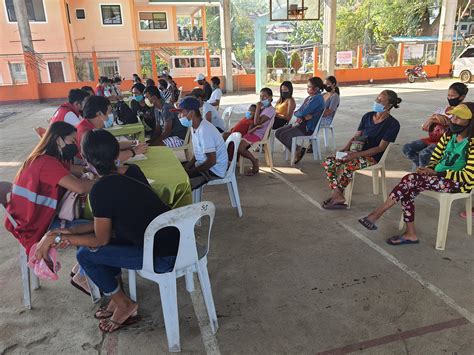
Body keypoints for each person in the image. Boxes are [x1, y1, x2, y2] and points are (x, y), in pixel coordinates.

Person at [35, 129, 179, 332]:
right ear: (115, 154)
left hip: (161, 256)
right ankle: (116, 300)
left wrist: (58, 238)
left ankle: (124, 304)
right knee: (100, 243)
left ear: (85, 159)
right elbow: (103, 225)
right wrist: (68, 234)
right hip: (176, 242)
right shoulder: (132, 171)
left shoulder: (100, 190)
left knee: (86, 255)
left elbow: (99, 240)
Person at [359, 103, 474, 245]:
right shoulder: (448, 136)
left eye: (459, 118)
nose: (453, 120)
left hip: (459, 183)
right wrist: (428, 169)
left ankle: (377, 214)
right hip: (438, 177)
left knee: (410, 180)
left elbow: (469, 176)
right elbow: (435, 159)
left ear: (470, 122)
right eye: (453, 116)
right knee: (408, 187)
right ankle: (410, 234)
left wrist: (436, 174)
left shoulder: (472, 143)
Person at [4, 122, 95, 256]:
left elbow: (79, 170)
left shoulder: (44, 159)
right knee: (100, 229)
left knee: (96, 226)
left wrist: (94, 169)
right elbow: (80, 187)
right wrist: (105, 182)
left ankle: (81, 271)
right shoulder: (46, 164)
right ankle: (82, 272)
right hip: (35, 227)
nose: (74, 146)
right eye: (72, 141)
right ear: (58, 139)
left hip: (32, 220)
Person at [321, 90, 402, 210]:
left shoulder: (393, 124)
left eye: (380, 100)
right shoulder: (368, 116)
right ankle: (337, 193)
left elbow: (381, 148)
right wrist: (345, 149)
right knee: (329, 161)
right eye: (377, 98)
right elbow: (356, 136)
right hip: (356, 151)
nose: (376, 101)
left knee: (349, 164)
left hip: (372, 157)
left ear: (389, 105)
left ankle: (336, 195)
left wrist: (355, 155)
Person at [403, 82, 468, 169]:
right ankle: (419, 169)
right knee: (407, 148)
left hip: (446, 141)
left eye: (452, 96)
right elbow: (425, 127)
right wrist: (432, 118)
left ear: (462, 97)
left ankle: (422, 175)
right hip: (432, 139)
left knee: (423, 154)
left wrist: (447, 122)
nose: (449, 98)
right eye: (448, 95)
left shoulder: (464, 111)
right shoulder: (441, 110)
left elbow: (461, 129)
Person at [77, 96, 148, 161]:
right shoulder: (86, 133)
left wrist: (133, 143)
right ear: (99, 114)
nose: (111, 115)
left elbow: (109, 146)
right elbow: (107, 157)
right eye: (109, 112)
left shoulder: (88, 126)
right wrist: (134, 152)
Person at [178, 97, 228, 189]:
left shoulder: (204, 130)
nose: (180, 116)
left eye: (182, 112)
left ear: (191, 113)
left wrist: (192, 171)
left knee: (179, 181)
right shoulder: (195, 126)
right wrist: (189, 165)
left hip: (214, 170)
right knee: (178, 167)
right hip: (205, 165)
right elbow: (198, 152)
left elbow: (212, 161)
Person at [275, 77, 325, 163]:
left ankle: (297, 151)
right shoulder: (310, 98)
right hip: (301, 123)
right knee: (278, 133)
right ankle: (298, 149)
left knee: (284, 135)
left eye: (309, 87)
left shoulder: (317, 98)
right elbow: (300, 112)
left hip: (307, 127)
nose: (307, 89)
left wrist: (300, 114)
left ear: (316, 88)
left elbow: (301, 112)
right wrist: (300, 114)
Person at [238, 88, 276, 176]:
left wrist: (258, 107)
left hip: (258, 134)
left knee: (240, 148)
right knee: (234, 139)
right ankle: (235, 162)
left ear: (270, 98)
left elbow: (257, 122)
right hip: (253, 131)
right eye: (261, 96)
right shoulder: (264, 107)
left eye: (264, 96)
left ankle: (255, 162)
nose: (262, 99)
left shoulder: (270, 110)